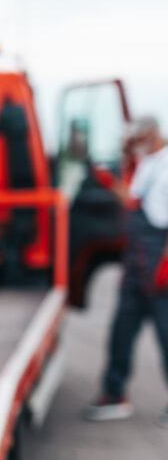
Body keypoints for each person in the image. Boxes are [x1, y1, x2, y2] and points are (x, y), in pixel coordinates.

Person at [83, 116, 168, 424]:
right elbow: (134, 200)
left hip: (160, 266)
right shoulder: (145, 165)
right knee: (121, 333)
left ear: (153, 134)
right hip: (136, 265)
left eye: (140, 138)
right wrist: (106, 180)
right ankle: (115, 392)